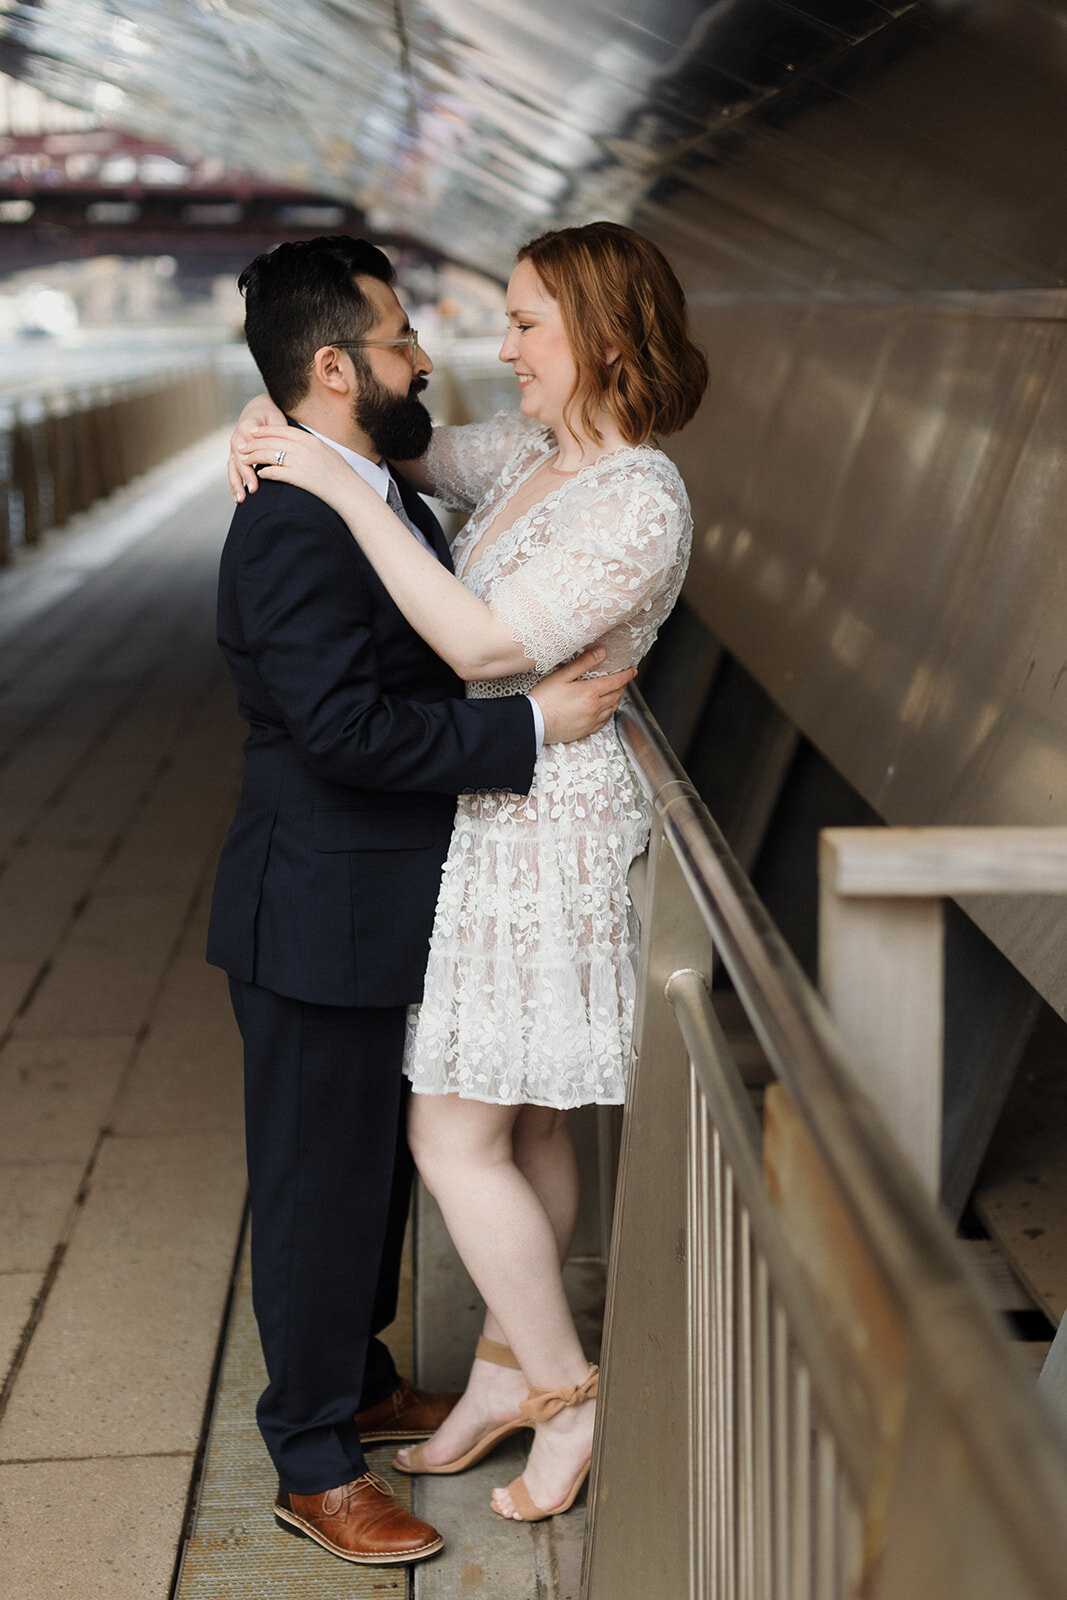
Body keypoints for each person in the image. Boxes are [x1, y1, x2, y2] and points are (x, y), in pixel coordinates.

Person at [230, 220, 707, 1523]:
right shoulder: (532, 456)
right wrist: (283, 428)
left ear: (603, 340)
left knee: (468, 1126)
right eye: (473, 325)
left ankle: (551, 1385)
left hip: (542, 821)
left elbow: (489, 641)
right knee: (485, 1125)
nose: (484, 349)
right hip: (484, 812)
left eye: (523, 323)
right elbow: (386, 434)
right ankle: (475, 1386)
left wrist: (323, 469)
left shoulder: (637, 494)